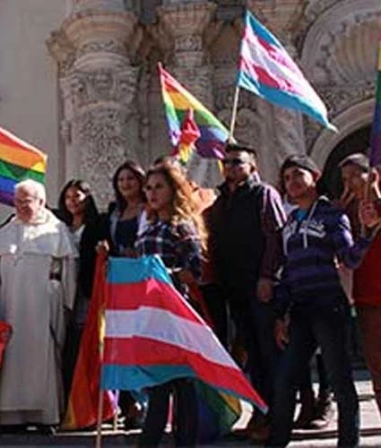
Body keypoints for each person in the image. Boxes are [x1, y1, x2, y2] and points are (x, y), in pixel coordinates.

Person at [268, 155, 381, 447]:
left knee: (339, 378)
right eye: (287, 178)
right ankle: (277, 441)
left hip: (328, 304)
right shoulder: (289, 223)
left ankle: (348, 441)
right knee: (285, 378)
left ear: (314, 177)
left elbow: (349, 258)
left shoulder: (332, 215)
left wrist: (367, 234)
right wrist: (280, 313)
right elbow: (288, 271)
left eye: (298, 175)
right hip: (300, 308)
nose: (292, 182)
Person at [207, 143, 285, 441]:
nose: (230, 167)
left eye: (237, 162)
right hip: (234, 288)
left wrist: (267, 276)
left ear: (252, 166)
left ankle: (277, 418)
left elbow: (275, 237)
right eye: (226, 162)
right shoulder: (220, 201)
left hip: (260, 288)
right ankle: (260, 413)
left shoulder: (263, 194)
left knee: (268, 353)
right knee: (251, 353)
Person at [0, 179, 78, 427]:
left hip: (44, 304)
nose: (21, 207)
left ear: (41, 201)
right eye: (17, 202)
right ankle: (9, 416)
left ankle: (45, 416)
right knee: (12, 358)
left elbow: (69, 272)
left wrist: (65, 304)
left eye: (26, 202)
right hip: (10, 307)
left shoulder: (57, 230)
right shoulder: (7, 230)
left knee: (44, 358)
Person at [134, 164, 204, 447]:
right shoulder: (148, 228)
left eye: (159, 187)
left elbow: (195, 271)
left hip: (176, 312)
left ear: (173, 190)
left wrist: (163, 275)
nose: (152, 193)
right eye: (149, 188)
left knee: (182, 383)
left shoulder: (181, 227)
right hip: (150, 313)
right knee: (158, 383)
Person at [98, 161, 146, 428]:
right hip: (120, 281)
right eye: (121, 180)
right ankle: (129, 402)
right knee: (123, 342)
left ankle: (145, 402)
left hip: (141, 280)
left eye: (130, 179)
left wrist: (137, 254)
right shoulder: (115, 213)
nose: (126, 184)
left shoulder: (148, 210)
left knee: (141, 341)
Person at [338, 153, 381, 416]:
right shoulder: (346, 212)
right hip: (366, 298)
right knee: (377, 367)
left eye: (355, 175)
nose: (350, 183)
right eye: (345, 179)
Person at [56, 179, 104, 405]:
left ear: (87, 197)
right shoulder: (59, 225)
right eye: (68, 197)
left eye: (77, 196)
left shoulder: (97, 224)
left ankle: (84, 397)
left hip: (86, 290)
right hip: (62, 289)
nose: (72, 201)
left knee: (82, 338)